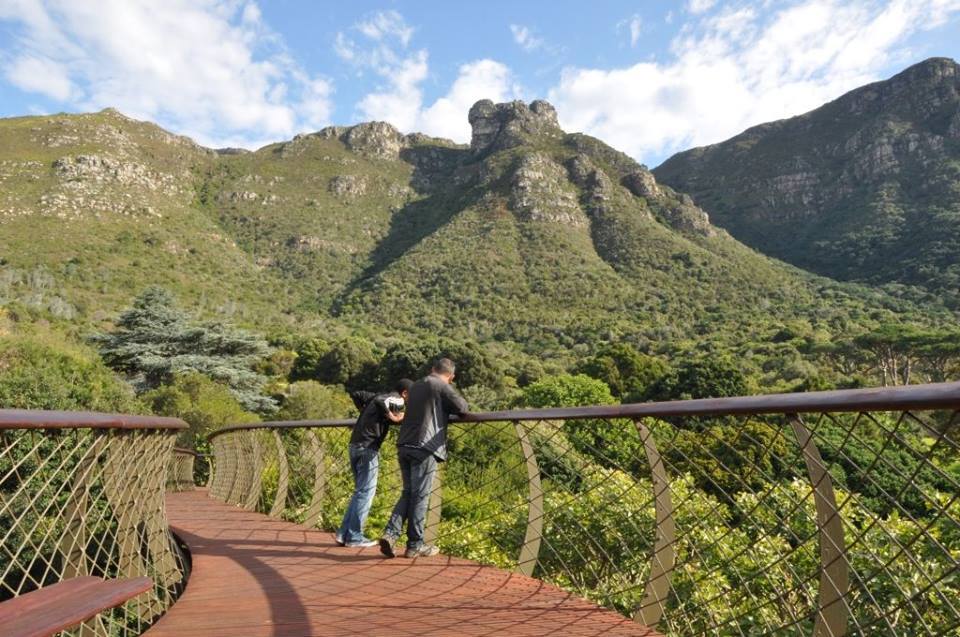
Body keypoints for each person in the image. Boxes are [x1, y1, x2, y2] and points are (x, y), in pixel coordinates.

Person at [379, 358, 468, 558]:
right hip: (424, 446)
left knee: (408, 493)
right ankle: (415, 545)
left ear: (432, 369)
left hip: (404, 444)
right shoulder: (441, 385)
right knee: (420, 496)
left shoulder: (418, 384)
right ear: (451, 377)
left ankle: (391, 534)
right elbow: (462, 407)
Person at [335, 378, 414, 548]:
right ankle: (354, 537)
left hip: (355, 445)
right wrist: (391, 415)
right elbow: (382, 402)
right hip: (368, 448)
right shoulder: (396, 398)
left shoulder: (376, 396)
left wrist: (363, 411)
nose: (407, 403)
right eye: (410, 398)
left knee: (359, 492)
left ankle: (343, 534)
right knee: (365, 493)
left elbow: (357, 394)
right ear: (405, 393)